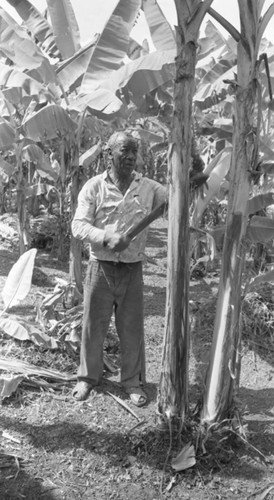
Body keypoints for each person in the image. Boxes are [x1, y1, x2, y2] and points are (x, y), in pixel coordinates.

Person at [71, 131, 167, 406]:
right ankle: (87, 378)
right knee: (93, 326)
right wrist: (105, 237)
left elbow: (174, 200)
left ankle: (132, 382)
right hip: (100, 267)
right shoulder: (94, 187)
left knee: (131, 327)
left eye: (134, 152)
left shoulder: (150, 188)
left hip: (132, 268)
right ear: (108, 154)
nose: (130, 157)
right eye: (124, 151)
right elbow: (78, 225)